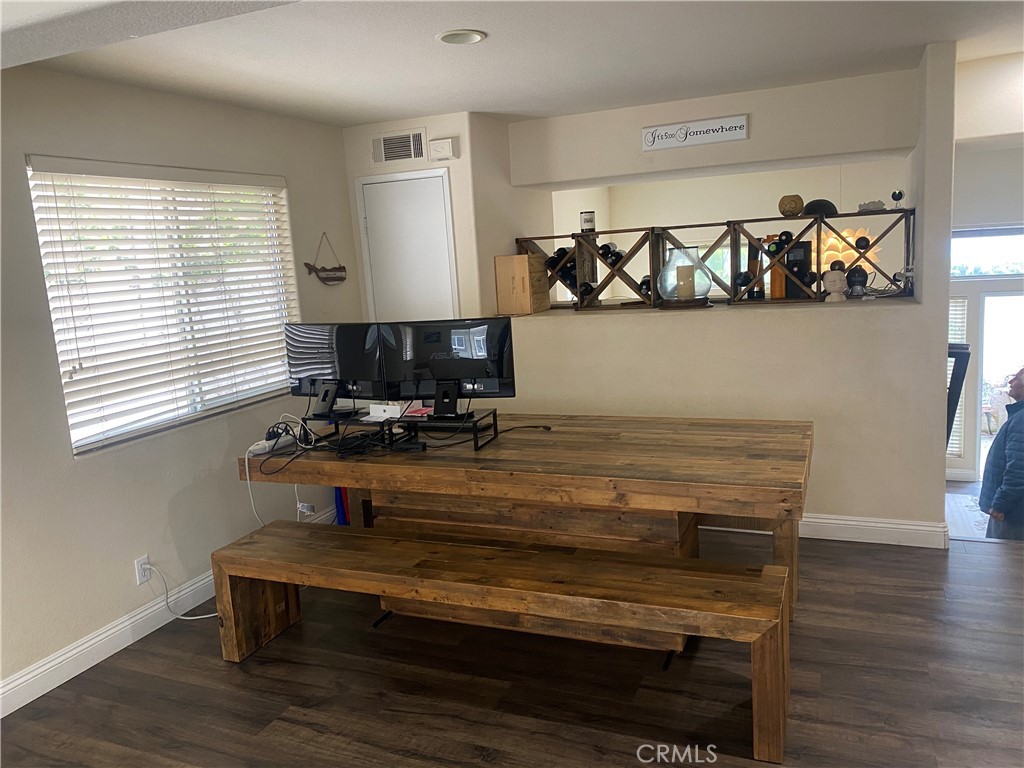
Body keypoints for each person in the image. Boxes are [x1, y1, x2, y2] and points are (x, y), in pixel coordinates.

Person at [980, 367, 1024, 540]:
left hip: (1013, 516)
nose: (1010, 382)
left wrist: (999, 505)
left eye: (1015, 378)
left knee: (1002, 563)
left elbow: (1019, 470)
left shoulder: (1022, 420)